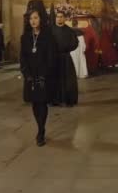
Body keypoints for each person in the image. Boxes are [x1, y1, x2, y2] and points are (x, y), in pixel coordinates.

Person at [21, 8, 56, 147]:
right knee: (35, 103)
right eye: (31, 19)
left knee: (42, 103)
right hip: (30, 75)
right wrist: (27, 73)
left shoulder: (48, 36)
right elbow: (23, 57)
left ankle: (41, 131)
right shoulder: (25, 37)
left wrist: (45, 73)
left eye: (35, 18)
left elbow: (51, 57)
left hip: (43, 75)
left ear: (41, 19)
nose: (33, 21)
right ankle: (40, 127)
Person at [51, 12, 79, 107]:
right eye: (57, 17)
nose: (59, 19)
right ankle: (55, 100)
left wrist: (66, 48)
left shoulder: (69, 31)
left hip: (66, 58)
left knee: (67, 80)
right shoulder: (51, 31)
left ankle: (68, 100)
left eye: (61, 17)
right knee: (55, 79)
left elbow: (75, 43)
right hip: (54, 58)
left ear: (64, 18)